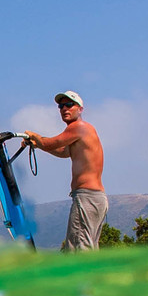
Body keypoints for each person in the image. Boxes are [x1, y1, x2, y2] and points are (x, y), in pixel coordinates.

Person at [23, 91, 107, 250]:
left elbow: (49, 143)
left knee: (79, 248)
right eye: (61, 106)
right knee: (84, 247)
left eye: (69, 105)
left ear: (80, 109)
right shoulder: (82, 132)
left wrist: (33, 136)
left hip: (87, 196)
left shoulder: (79, 127)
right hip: (93, 198)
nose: (64, 109)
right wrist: (37, 145)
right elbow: (63, 152)